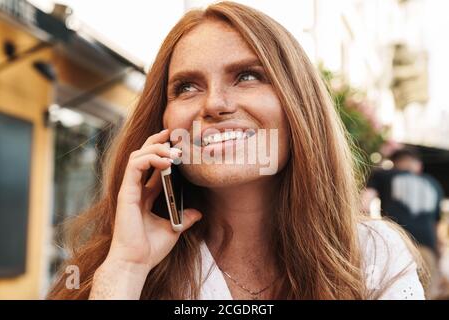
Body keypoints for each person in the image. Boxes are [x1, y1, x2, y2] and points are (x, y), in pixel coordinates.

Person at [48, 1, 425, 300]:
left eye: (247, 76)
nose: (214, 104)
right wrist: (127, 268)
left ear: (300, 106)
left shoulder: (375, 257)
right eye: (187, 87)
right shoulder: (116, 263)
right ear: (163, 125)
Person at [364, 148, 444, 297]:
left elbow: (364, 205)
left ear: (394, 163)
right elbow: (436, 227)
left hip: (395, 245)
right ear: (418, 165)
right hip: (427, 248)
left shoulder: (383, 175)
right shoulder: (434, 184)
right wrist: (438, 254)